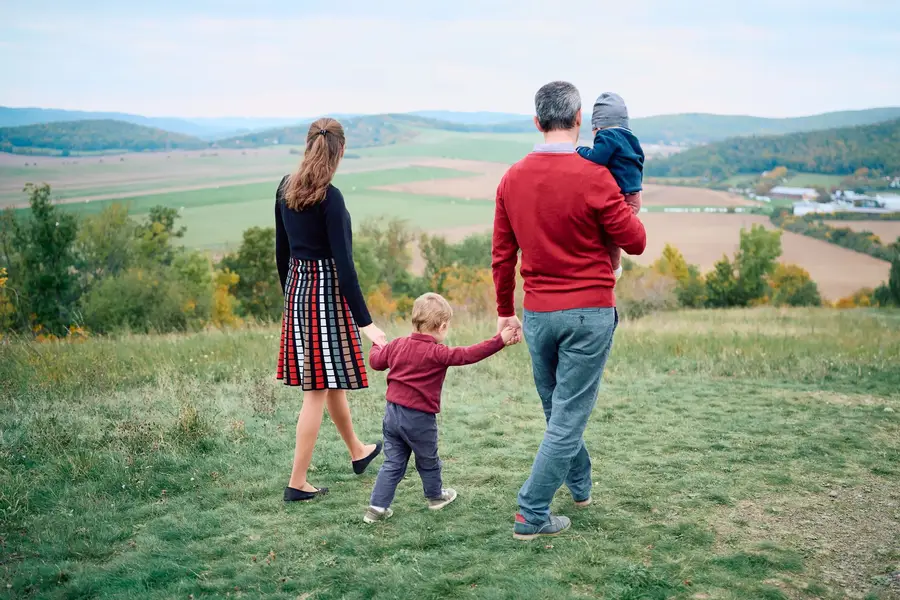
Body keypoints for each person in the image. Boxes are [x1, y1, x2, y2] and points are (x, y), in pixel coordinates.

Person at [492, 81, 647, 539]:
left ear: (537, 122)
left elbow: (503, 255)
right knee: (566, 415)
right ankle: (531, 511)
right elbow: (635, 241)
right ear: (579, 119)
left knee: (558, 412)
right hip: (590, 314)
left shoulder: (511, 178)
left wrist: (505, 311)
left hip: (539, 315)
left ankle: (578, 484)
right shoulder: (596, 176)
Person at [275, 117, 387, 502]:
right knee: (315, 391)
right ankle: (297, 482)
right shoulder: (331, 198)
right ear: (339, 151)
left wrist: (290, 295)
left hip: (298, 290)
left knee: (329, 378)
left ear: (308, 146)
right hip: (324, 295)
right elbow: (345, 266)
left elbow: (281, 252)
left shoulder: (284, 188)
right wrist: (367, 323)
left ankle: (358, 450)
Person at [363, 293, 519, 523]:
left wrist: (377, 345)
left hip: (392, 415)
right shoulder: (438, 352)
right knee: (428, 460)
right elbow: (469, 355)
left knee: (393, 462)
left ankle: (376, 508)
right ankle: (436, 497)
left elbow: (376, 362)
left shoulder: (396, 345)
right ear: (443, 325)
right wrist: (499, 340)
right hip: (419, 419)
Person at [576, 92, 644, 280]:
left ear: (597, 125)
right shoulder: (630, 137)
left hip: (622, 195)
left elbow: (597, 158)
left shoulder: (607, 136)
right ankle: (613, 268)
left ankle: (613, 270)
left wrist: (580, 150)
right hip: (635, 194)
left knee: (612, 234)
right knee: (614, 233)